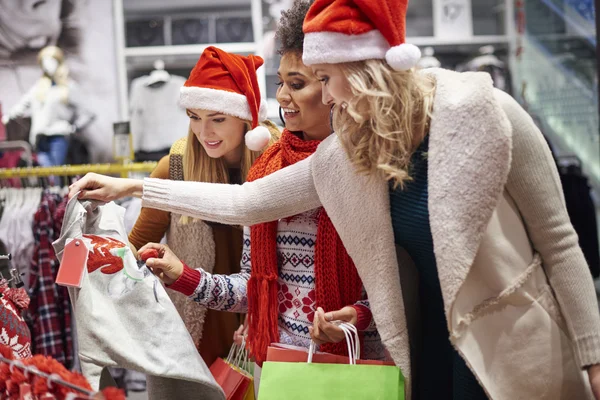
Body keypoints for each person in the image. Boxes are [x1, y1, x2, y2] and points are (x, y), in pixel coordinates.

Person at [69, 0, 600, 399]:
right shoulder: (350, 156)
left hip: (516, 342)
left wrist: (594, 356)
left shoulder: (488, 113)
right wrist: (134, 186)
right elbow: (251, 203)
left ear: (364, 71)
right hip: (426, 349)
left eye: (323, 78)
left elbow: (559, 241)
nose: (322, 95)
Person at [138, 0, 387, 368]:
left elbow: (394, 287)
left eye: (298, 83)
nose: (284, 96)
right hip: (277, 367)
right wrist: (183, 275)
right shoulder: (269, 167)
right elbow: (251, 288)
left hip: (355, 369)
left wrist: (357, 317)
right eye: (281, 83)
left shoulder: (367, 166)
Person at [127, 46, 279, 366]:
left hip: (268, 331)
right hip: (195, 337)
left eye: (218, 118)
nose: (203, 132)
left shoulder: (278, 166)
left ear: (246, 117)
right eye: (194, 117)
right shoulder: (176, 168)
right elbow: (134, 248)